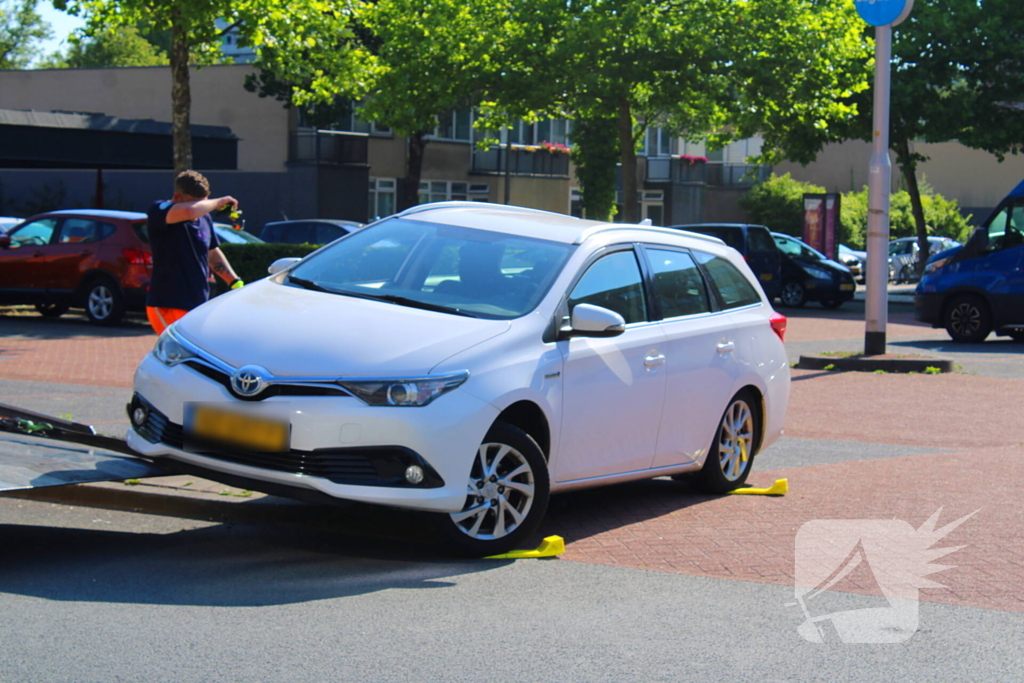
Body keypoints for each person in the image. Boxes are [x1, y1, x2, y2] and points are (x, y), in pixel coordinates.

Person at [146, 170, 244, 334]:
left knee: (195, 357)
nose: (199, 211)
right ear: (177, 197)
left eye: (202, 204)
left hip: (197, 302)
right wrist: (219, 202)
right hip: (168, 303)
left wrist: (235, 282)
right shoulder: (160, 209)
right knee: (178, 353)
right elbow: (189, 211)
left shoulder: (204, 217)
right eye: (195, 204)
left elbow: (212, 253)